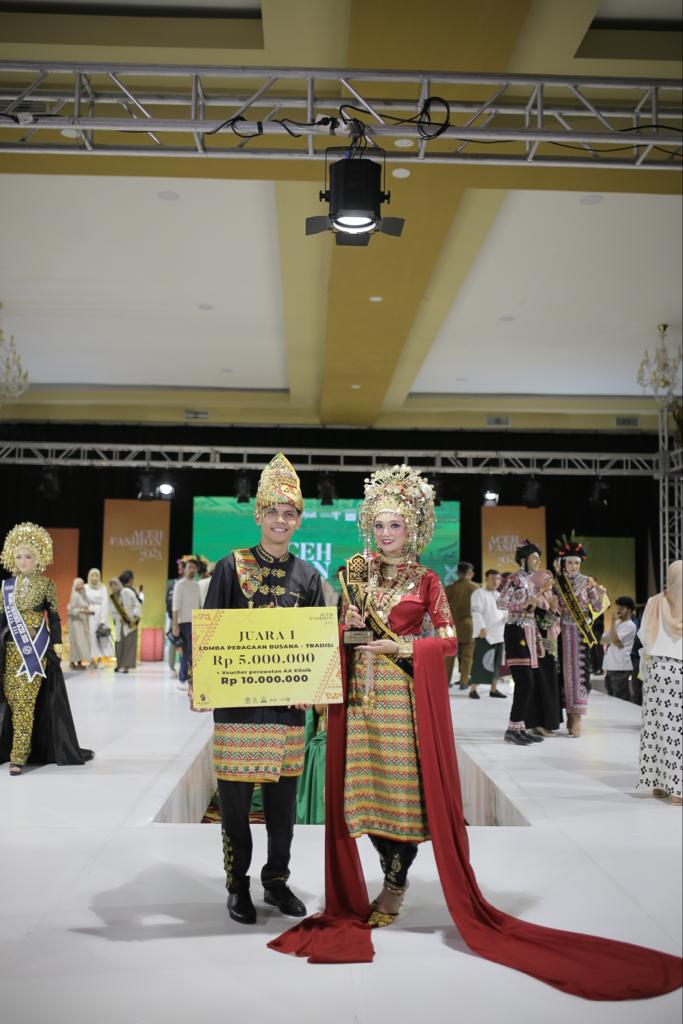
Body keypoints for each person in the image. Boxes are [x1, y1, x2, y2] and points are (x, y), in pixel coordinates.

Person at [269, 478, 682, 1003]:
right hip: (358, 699)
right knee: (359, 798)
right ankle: (384, 874)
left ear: (413, 530)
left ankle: (394, 882)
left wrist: (403, 647)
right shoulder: (354, 572)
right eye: (379, 524)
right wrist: (345, 626)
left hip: (400, 700)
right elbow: (343, 633)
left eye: (396, 525)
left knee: (400, 796)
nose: (387, 533)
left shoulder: (426, 582)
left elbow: (446, 641)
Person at [200, 453, 325, 925]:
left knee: (281, 808)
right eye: (272, 511)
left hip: (287, 712)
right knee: (234, 805)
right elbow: (210, 631)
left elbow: (315, 644)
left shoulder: (308, 577)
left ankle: (276, 881)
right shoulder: (230, 567)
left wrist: (311, 687)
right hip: (237, 710)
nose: (280, 520)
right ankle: (237, 885)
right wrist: (204, 685)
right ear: (258, 515)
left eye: (289, 513)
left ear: (299, 520)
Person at [0, 522, 94, 775]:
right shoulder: (5, 587)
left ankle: (19, 756)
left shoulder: (46, 584)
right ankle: (17, 746)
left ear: (38, 558)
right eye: (19, 556)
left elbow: (53, 616)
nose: (23, 561)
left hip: (35, 652)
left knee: (25, 702)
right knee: (12, 703)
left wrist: (57, 644)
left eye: (28, 556)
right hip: (9, 652)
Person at [553, 536, 609, 738]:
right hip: (560, 633)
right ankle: (566, 715)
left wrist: (600, 595)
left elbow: (596, 607)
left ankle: (577, 716)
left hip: (580, 634)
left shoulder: (587, 582)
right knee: (561, 674)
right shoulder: (556, 583)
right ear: (563, 563)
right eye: (570, 562)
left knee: (580, 673)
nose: (573, 566)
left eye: (576, 563)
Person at [637, 561, 682, 806]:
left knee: (657, 726)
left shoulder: (654, 601)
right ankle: (679, 789)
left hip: (657, 670)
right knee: (679, 731)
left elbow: (643, 633)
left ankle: (657, 783)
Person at [496, 541, 546, 746]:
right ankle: (512, 729)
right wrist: (523, 604)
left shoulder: (532, 581)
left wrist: (539, 640)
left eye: (538, 558)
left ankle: (519, 728)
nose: (537, 561)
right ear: (524, 559)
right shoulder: (514, 578)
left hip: (530, 631)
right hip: (516, 630)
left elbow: (533, 614)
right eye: (534, 558)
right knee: (525, 682)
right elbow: (500, 602)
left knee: (528, 683)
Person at [468, 569, 507, 699]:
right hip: (484, 634)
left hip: (499, 634)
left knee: (496, 664)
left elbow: (505, 614)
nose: (495, 581)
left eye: (498, 579)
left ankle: (493, 689)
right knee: (480, 662)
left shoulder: (500, 595)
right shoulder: (479, 593)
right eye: (492, 579)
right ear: (486, 579)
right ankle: (473, 689)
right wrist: (481, 627)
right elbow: (476, 612)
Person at [444, 561, 478, 688]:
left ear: (458, 573)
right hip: (469, 626)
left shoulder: (449, 588)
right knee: (467, 656)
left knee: (449, 656)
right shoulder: (476, 588)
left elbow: (443, 609)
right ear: (470, 573)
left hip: (451, 626)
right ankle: (464, 682)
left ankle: (446, 681)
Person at [171, 556, 201, 692]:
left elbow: (200, 604)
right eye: (190, 567)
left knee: (194, 653)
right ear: (185, 569)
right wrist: (175, 625)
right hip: (183, 622)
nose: (192, 570)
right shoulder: (180, 584)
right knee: (185, 652)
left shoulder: (197, 585)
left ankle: (191, 679)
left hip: (196, 622)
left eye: (194, 568)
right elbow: (175, 606)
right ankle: (182, 679)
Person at [602, 596, 637, 702]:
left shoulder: (630, 625)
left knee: (620, 698)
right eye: (618, 608)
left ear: (629, 610)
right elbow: (603, 640)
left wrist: (612, 623)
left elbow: (616, 641)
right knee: (611, 697)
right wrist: (613, 626)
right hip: (610, 666)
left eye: (621, 608)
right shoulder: (617, 623)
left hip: (620, 667)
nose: (618, 611)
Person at [109, 573, 141, 674]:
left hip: (131, 622)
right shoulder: (113, 597)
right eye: (112, 585)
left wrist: (133, 617)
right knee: (119, 644)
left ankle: (126, 666)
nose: (114, 587)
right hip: (120, 624)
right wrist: (119, 618)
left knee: (129, 644)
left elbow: (136, 605)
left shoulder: (127, 592)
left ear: (119, 584)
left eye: (115, 584)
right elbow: (112, 612)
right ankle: (119, 665)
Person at [84, 567, 114, 665]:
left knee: (101, 637)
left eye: (96, 575)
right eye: (92, 575)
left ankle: (101, 659)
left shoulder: (103, 587)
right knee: (91, 637)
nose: (94, 578)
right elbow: (82, 601)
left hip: (100, 615)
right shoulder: (85, 587)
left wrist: (102, 619)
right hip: (89, 616)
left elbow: (105, 603)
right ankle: (92, 659)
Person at [67, 577, 92, 669]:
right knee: (77, 642)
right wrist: (82, 610)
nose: (81, 586)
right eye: (78, 584)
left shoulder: (82, 595)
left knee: (82, 642)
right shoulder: (75, 596)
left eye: (82, 584)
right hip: (75, 622)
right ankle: (74, 662)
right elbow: (71, 610)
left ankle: (80, 661)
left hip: (82, 622)